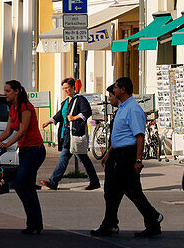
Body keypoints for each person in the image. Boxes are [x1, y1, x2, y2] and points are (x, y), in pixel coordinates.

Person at [91, 77, 162, 238]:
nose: (113, 91)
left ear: (123, 89)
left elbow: (139, 136)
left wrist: (138, 160)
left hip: (127, 154)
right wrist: (109, 153)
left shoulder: (133, 109)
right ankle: (153, 219)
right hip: (117, 153)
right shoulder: (123, 107)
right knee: (130, 190)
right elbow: (119, 134)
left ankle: (109, 224)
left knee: (115, 190)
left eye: (115, 88)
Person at [0, 80, 46, 234]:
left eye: (7, 91)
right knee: (25, 186)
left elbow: (23, 130)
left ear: (16, 91)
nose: (5, 93)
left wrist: (7, 144)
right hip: (24, 150)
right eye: (4, 90)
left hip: (35, 150)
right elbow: (8, 130)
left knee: (21, 183)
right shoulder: (13, 108)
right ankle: (34, 224)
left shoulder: (25, 107)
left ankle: (35, 222)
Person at [41, 78, 99, 191]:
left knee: (78, 159)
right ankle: (54, 182)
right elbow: (60, 115)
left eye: (67, 88)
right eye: (64, 88)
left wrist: (74, 117)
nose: (65, 90)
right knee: (70, 158)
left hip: (75, 135)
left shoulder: (80, 100)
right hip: (67, 135)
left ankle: (54, 182)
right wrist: (49, 122)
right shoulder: (66, 102)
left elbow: (87, 112)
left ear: (73, 87)